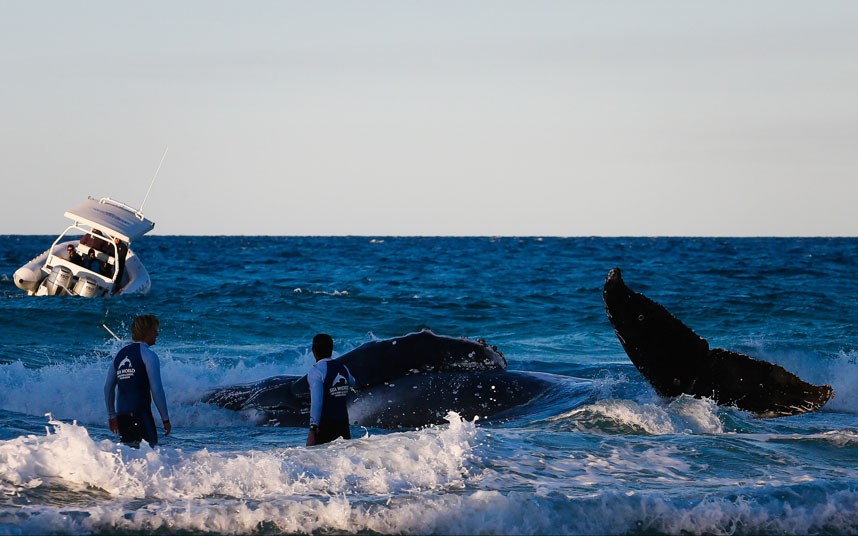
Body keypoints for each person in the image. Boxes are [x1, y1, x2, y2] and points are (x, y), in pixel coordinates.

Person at [103, 314, 171, 448]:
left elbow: (108, 388)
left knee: (129, 458)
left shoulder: (120, 355)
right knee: (151, 456)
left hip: (122, 417)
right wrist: (165, 419)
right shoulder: (149, 355)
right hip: (141, 415)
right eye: (155, 330)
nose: (157, 334)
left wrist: (112, 416)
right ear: (148, 331)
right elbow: (156, 390)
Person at [306, 333, 355, 446]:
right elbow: (353, 383)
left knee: (321, 460)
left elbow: (317, 402)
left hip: (325, 425)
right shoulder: (343, 367)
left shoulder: (316, 371)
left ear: (314, 351)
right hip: (343, 423)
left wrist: (313, 429)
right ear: (331, 350)